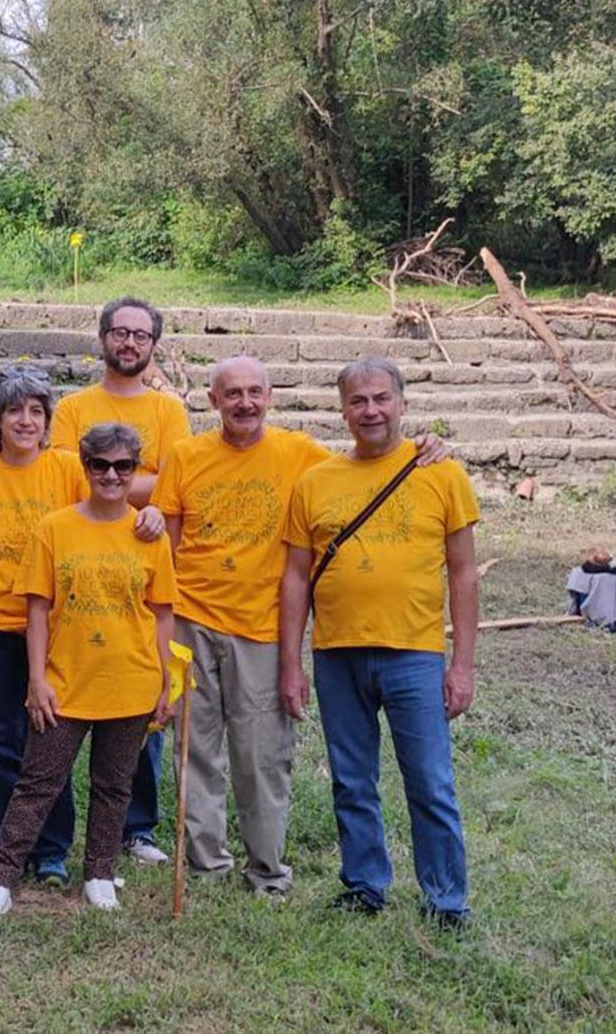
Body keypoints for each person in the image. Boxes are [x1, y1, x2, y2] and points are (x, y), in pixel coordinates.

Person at [153, 356, 451, 896]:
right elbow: (166, 551)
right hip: (191, 622)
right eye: (232, 393)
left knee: (263, 753)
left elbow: (365, 466)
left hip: (262, 626)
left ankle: (267, 870)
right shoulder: (185, 457)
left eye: (254, 392)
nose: (244, 403)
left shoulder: (301, 456)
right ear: (212, 400)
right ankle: (206, 863)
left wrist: (425, 449)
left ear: (270, 397)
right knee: (193, 748)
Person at [278, 358, 480, 927]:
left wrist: (462, 665)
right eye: (358, 401)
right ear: (342, 409)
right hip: (336, 652)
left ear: (402, 403)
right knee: (351, 777)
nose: (371, 410)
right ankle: (365, 884)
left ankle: (445, 899)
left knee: (430, 781)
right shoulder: (316, 481)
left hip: (414, 651)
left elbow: (463, 573)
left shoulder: (440, 473)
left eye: (381, 398)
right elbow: (296, 576)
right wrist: (290, 663)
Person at [0, 423, 177, 922]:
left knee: (114, 784)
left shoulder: (148, 533)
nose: (111, 475)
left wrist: (166, 680)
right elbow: (37, 608)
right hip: (66, 679)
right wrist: (37, 678)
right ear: (84, 467)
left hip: (131, 676)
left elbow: (163, 611)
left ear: (135, 471)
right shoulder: (54, 528)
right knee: (38, 781)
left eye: (123, 466)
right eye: (100, 465)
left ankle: (100, 872)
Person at [48, 296, 191, 866]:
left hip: (140, 557)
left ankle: (137, 828)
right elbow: (65, 477)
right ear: (102, 337)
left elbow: (174, 483)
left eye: (141, 336)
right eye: (120, 333)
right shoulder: (73, 406)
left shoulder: (168, 410)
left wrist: (115, 486)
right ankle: (51, 834)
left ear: (154, 344)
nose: (129, 344)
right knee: (62, 712)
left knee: (141, 700)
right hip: (80, 564)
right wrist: (141, 485)